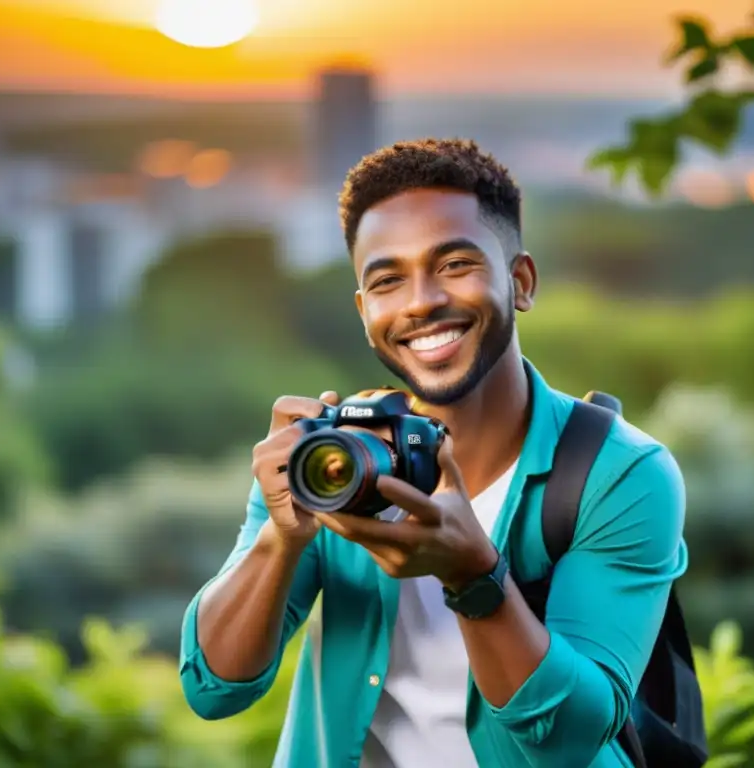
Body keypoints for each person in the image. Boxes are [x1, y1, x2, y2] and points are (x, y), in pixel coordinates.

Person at [179, 138, 688, 767]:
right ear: (366, 313)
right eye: (388, 280)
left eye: (453, 265)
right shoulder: (334, 463)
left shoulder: (618, 474)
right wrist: (281, 540)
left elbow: (572, 738)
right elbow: (212, 689)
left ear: (520, 282)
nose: (420, 301)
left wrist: (475, 578)